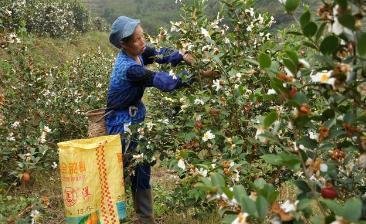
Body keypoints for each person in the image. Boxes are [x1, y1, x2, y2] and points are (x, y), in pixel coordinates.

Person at [106, 16, 194, 224]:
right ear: (123, 44)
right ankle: (114, 216)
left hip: (135, 119)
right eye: (136, 39)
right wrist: (194, 78)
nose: (142, 42)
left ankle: (145, 218)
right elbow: (161, 81)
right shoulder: (129, 68)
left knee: (142, 166)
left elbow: (160, 55)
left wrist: (181, 55)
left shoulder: (139, 52)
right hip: (121, 124)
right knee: (121, 171)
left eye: (142, 36)